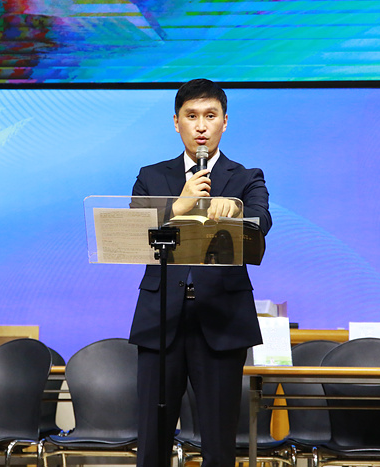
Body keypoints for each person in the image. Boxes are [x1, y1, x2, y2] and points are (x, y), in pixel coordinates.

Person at [129, 78, 272, 467]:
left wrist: (236, 210)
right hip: (161, 318)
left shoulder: (246, 177)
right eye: (191, 116)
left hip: (221, 318)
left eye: (210, 116)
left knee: (220, 444)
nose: (201, 126)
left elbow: (261, 220)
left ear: (225, 121)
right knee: (152, 440)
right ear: (176, 122)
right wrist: (177, 206)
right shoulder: (151, 176)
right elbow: (133, 232)